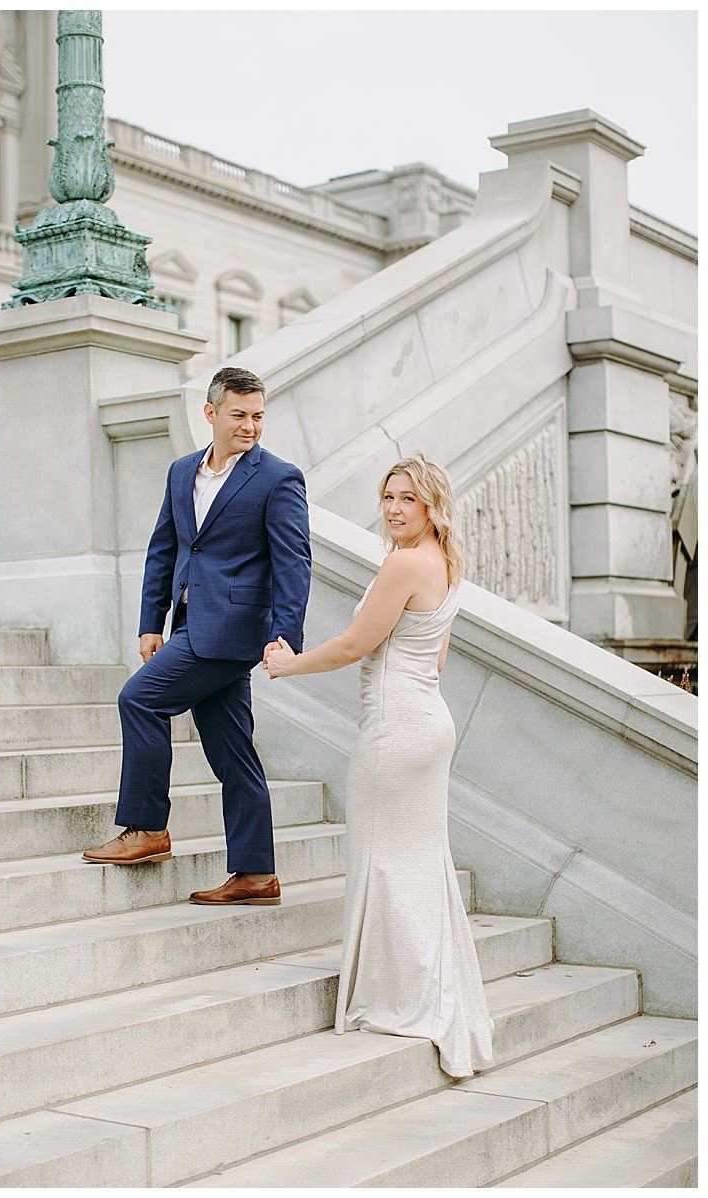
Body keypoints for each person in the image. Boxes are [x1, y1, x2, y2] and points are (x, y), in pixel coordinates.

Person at [264, 453, 493, 1077]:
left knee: (385, 860)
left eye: (407, 500)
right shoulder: (445, 563)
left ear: (430, 506)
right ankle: (421, 983)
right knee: (418, 861)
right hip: (428, 724)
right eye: (388, 496)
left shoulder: (405, 564)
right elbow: (437, 658)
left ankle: (403, 996)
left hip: (396, 732)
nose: (393, 508)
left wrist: (288, 664)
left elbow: (354, 646)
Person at [83, 366, 312, 911]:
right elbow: (163, 548)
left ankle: (146, 828)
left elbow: (294, 563)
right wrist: (149, 622)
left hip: (232, 633)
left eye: (258, 415)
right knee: (233, 752)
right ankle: (256, 874)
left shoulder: (278, 478)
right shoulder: (182, 471)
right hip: (189, 626)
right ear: (210, 413)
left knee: (138, 698)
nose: (250, 426)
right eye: (239, 415)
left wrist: (286, 638)